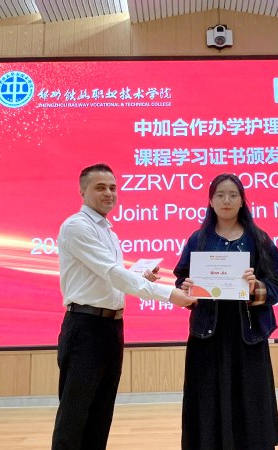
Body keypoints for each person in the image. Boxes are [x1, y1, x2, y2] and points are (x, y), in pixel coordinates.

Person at [52, 163, 196, 450]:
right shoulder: (77, 226)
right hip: (85, 327)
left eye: (113, 187)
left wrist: (141, 277)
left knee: (101, 411)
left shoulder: (108, 230)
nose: (109, 193)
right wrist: (169, 294)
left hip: (111, 327)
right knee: (75, 414)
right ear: (82, 192)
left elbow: (109, 278)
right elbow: (112, 273)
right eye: (100, 187)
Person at [174, 173, 278, 450]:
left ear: (242, 201)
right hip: (207, 334)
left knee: (250, 403)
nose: (226, 200)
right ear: (210, 201)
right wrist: (187, 289)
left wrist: (256, 288)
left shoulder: (259, 239)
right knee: (207, 401)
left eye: (233, 195)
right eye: (220, 195)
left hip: (247, 335)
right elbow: (182, 280)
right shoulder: (198, 239)